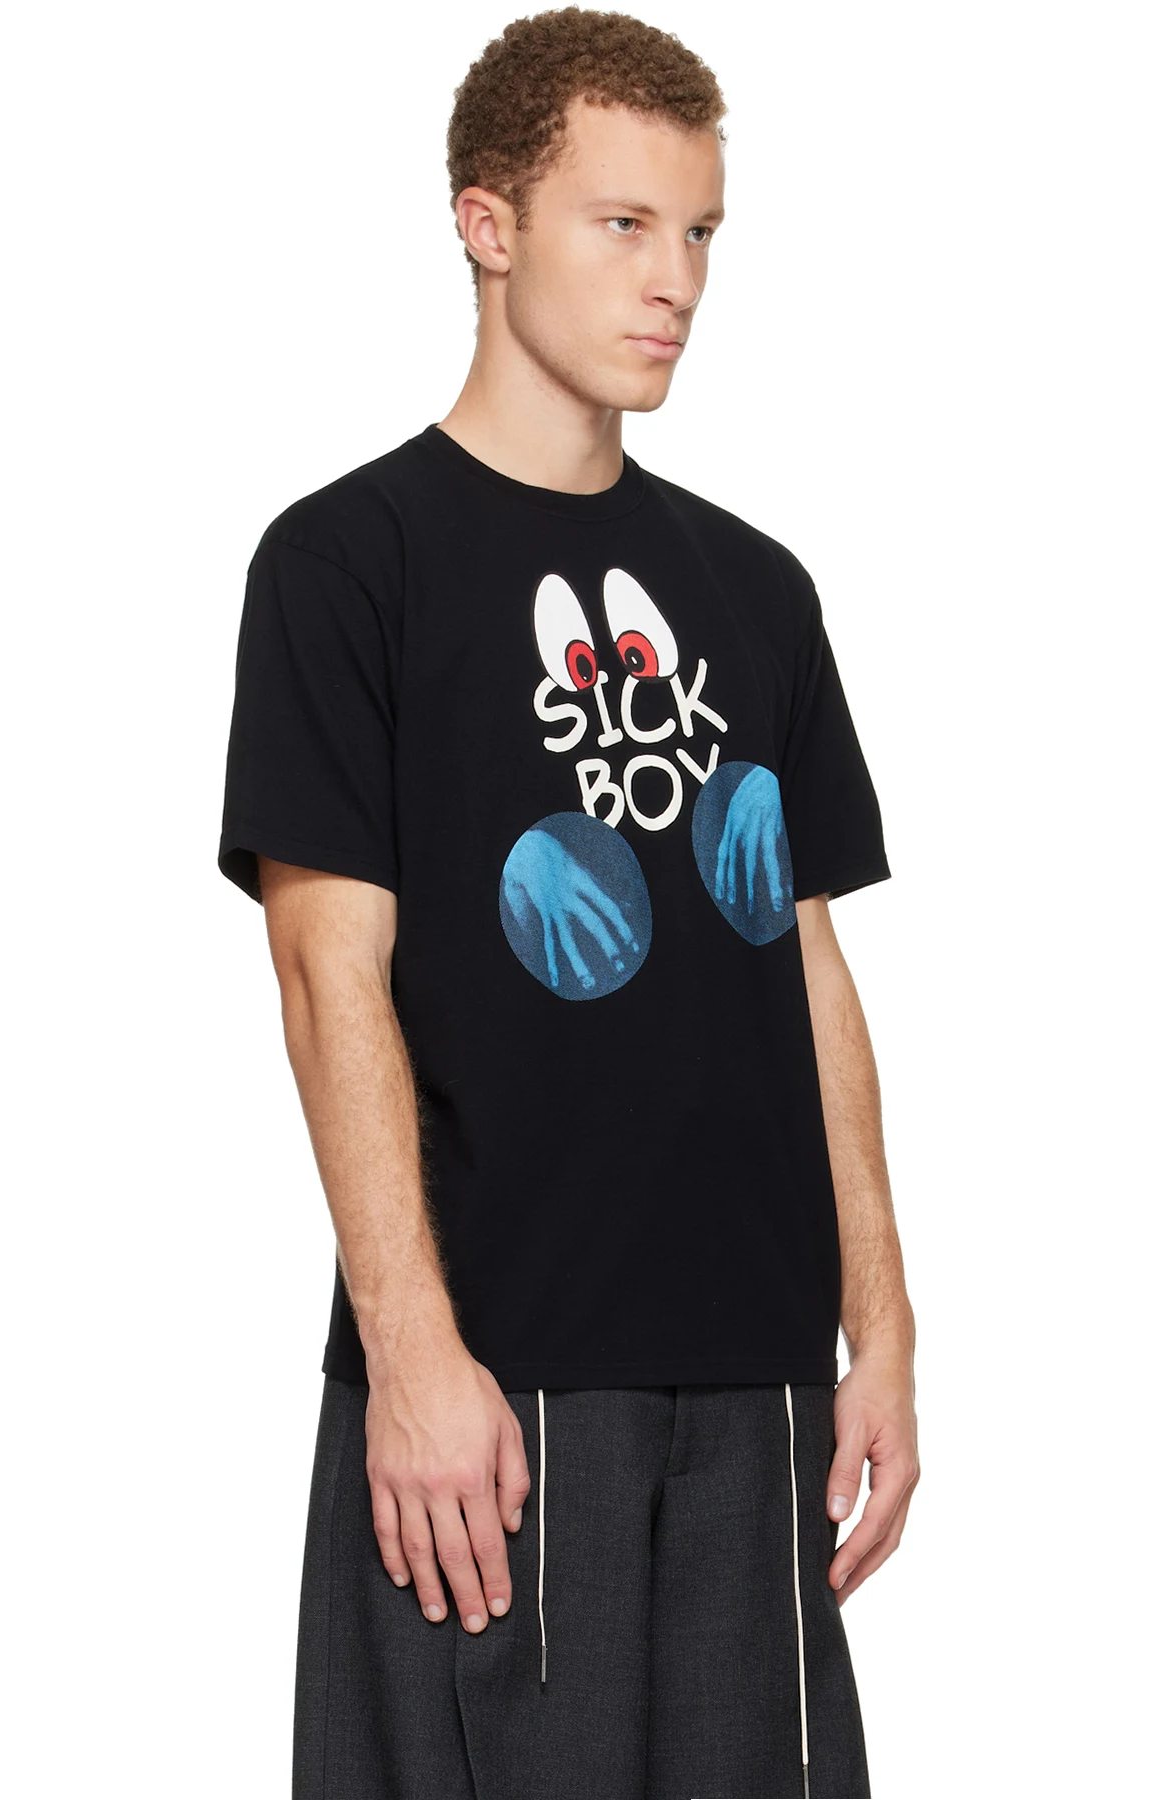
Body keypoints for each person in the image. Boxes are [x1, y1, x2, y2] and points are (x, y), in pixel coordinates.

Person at [217, 9, 919, 1796]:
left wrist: (884, 1329)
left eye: (701, 233)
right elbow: (323, 974)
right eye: (623, 224)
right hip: (499, 1385)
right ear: (488, 223)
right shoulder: (348, 564)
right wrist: (412, 1355)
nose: (676, 279)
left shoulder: (758, 587)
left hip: (760, 1381)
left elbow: (809, 965)